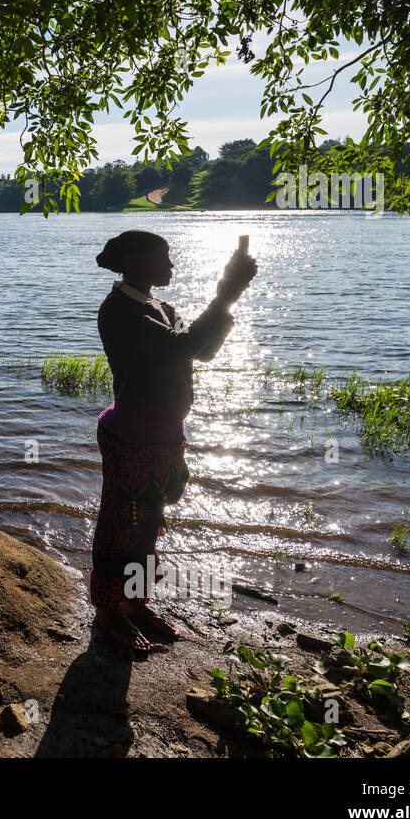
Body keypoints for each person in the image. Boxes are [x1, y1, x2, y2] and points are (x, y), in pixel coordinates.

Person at [90, 230, 256, 651]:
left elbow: (201, 352)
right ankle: (107, 611)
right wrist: (227, 290)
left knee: (147, 527)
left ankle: (134, 603)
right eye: (162, 257)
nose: (171, 266)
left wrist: (228, 300)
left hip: (165, 437)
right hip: (130, 438)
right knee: (119, 526)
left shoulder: (163, 307)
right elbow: (185, 345)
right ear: (133, 260)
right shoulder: (118, 311)